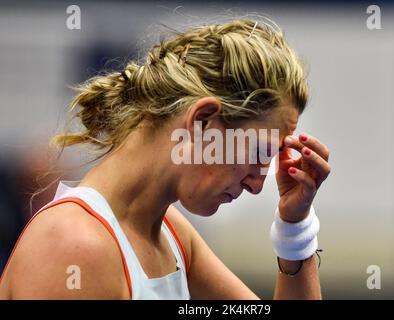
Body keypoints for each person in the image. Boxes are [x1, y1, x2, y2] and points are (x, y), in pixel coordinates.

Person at [0, 18, 331, 299]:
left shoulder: (171, 234)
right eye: (259, 152)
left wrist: (295, 227)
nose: (258, 185)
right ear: (202, 122)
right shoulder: (75, 246)